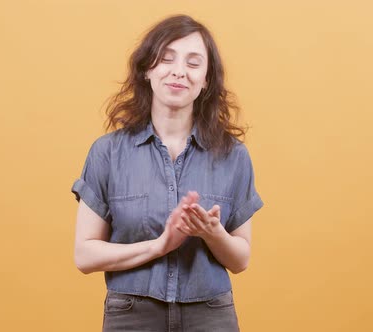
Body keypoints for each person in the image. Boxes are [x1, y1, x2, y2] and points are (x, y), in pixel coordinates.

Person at [71, 14, 264, 332]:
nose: (179, 72)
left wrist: (212, 233)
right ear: (148, 69)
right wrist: (159, 246)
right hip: (131, 314)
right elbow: (85, 255)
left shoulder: (233, 156)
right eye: (166, 58)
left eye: (193, 62)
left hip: (210, 314)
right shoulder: (107, 153)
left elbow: (240, 260)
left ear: (205, 80)